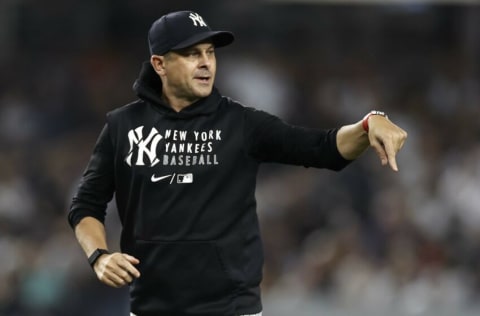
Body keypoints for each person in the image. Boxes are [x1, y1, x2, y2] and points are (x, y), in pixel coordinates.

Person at [67, 10, 407, 316]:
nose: (205, 63)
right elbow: (85, 206)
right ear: (160, 64)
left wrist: (367, 124)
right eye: (191, 54)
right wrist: (99, 255)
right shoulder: (123, 127)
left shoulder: (241, 124)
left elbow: (322, 148)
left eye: (209, 53)